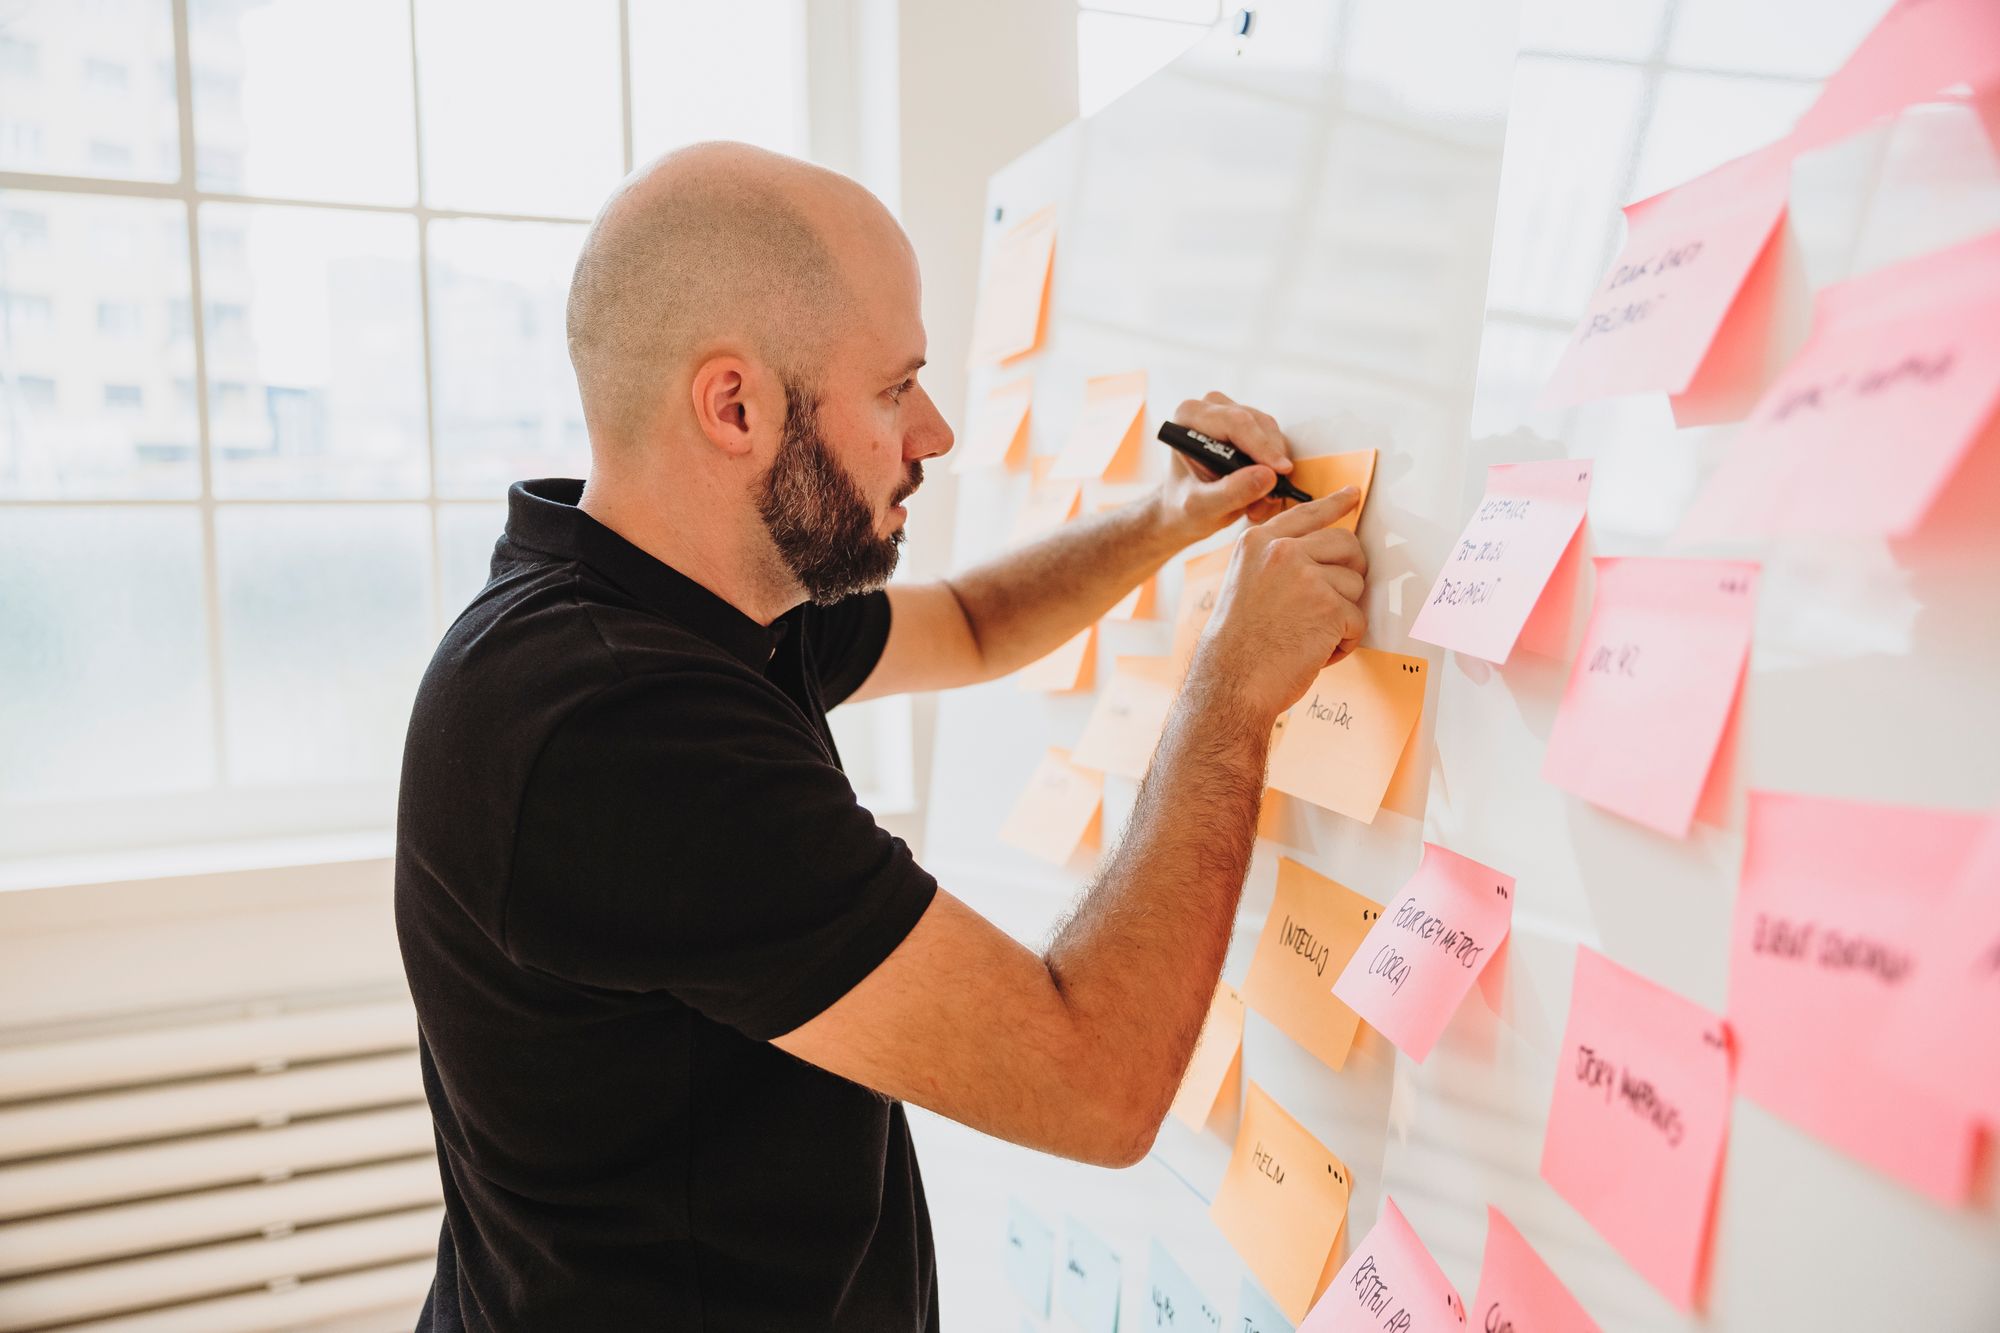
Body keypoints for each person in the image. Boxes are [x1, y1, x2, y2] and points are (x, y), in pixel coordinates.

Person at [394, 141, 1368, 1331]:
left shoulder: (673, 597)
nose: (936, 432)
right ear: (734, 407)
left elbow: (969, 625)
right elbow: (1097, 1084)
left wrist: (1164, 519)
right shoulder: (618, 727)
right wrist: (1229, 691)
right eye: (895, 388)